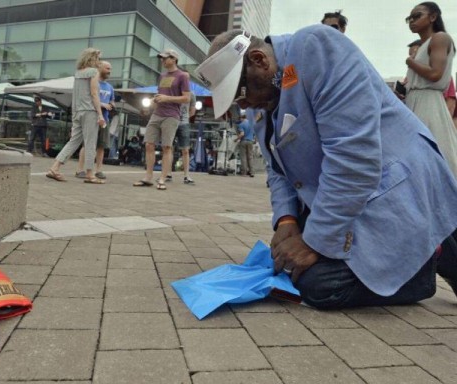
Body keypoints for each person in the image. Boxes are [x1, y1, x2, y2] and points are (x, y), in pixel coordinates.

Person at [194, 27, 457, 309]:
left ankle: (423, 266)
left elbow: (354, 158)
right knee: (289, 266)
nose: (243, 104)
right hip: (349, 191)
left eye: (240, 93)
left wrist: (313, 243)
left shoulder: (317, 50)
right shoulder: (262, 98)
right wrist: (287, 220)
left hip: (396, 182)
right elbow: (276, 169)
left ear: (260, 60)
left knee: (319, 285)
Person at [405, 1, 457, 176]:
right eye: (409, 18)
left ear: (433, 17)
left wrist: (410, 62)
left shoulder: (440, 38)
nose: (412, 21)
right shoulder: (424, 44)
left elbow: (435, 74)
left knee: (433, 152)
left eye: (417, 15)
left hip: (428, 102)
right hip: (417, 100)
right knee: (418, 153)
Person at [132, 49, 190, 190]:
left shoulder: (183, 76)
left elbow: (186, 98)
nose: (162, 61)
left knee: (166, 147)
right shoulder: (162, 75)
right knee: (148, 144)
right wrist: (153, 101)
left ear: (174, 59)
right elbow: (161, 94)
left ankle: (163, 178)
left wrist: (167, 98)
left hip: (172, 115)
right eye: (161, 58)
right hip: (157, 113)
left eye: (165, 58)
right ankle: (148, 177)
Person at [46, 48, 106, 184]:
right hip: (89, 111)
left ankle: (54, 168)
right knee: (90, 143)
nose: (99, 61)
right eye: (98, 58)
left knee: (74, 141)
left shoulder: (78, 73)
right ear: (93, 58)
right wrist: (100, 114)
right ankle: (90, 174)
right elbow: (94, 93)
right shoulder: (93, 72)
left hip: (77, 111)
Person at [75, 61, 115, 180]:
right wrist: (102, 104)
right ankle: (80, 169)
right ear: (100, 67)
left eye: (110, 69)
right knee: (87, 144)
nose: (109, 71)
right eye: (107, 68)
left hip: (105, 119)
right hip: (91, 118)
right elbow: (89, 98)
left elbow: (112, 100)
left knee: (101, 145)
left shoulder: (110, 87)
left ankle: (99, 170)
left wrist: (111, 104)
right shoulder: (93, 82)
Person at [165, 87, 196, 184]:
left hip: (184, 124)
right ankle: (168, 174)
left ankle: (186, 176)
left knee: (185, 150)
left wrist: (184, 117)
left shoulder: (191, 94)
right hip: (171, 122)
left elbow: (192, 111)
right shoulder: (172, 92)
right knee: (168, 148)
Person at [234, 110, 256, 177]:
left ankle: (244, 172)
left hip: (243, 141)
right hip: (250, 141)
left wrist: (236, 139)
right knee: (250, 157)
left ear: (241, 118)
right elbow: (255, 134)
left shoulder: (241, 124)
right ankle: (252, 172)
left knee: (243, 157)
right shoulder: (252, 124)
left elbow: (242, 134)